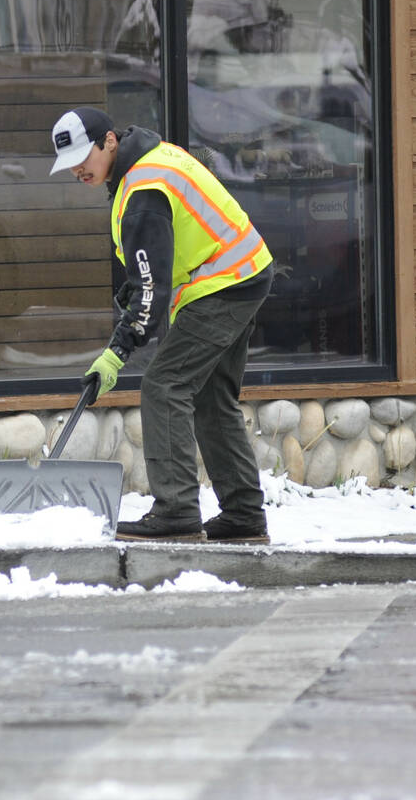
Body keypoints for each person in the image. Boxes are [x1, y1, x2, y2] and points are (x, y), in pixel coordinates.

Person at [49, 106, 274, 543]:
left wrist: (117, 351)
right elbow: (149, 273)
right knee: (210, 396)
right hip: (241, 273)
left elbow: (151, 292)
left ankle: (176, 512)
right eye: (70, 162)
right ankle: (244, 515)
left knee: (164, 386)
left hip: (224, 282)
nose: (78, 168)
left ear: (109, 141)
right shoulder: (146, 164)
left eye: (83, 156)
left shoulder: (144, 189)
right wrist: (129, 316)